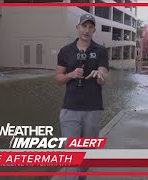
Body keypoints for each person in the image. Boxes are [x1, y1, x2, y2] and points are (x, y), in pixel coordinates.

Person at [55, 13, 109, 180]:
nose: (87, 30)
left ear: (94, 29)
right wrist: (70, 75)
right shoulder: (65, 51)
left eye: (90, 27)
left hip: (92, 109)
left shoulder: (100, 51)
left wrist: (99, 75)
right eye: (84, 26)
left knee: (87, 155)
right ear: (77, 27)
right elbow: (58, 78)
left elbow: (103, 77)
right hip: (70, 108)